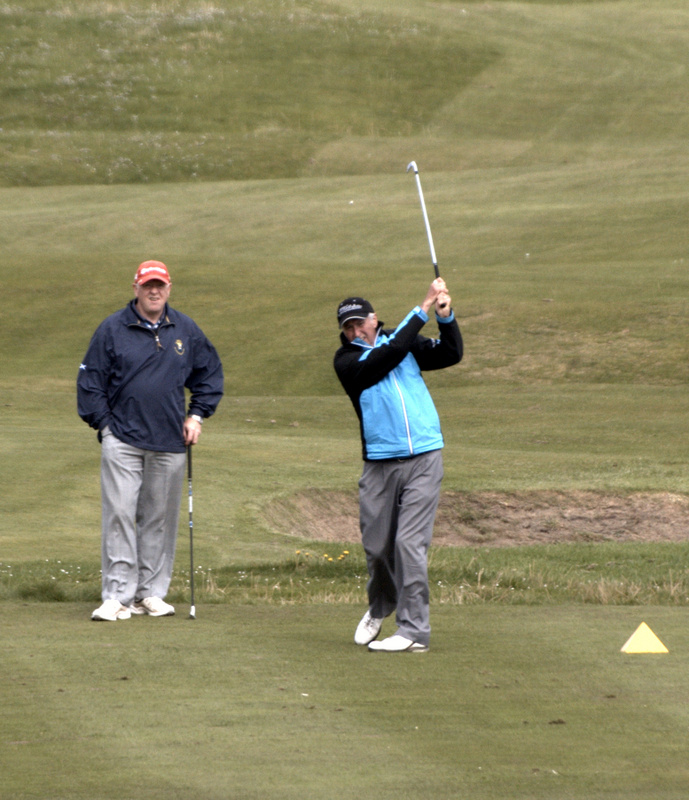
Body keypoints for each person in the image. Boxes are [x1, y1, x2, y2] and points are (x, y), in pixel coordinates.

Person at [77, 260, 224, 622]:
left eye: (159, 285)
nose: (153, 291)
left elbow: (209, 374)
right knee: (120, 515)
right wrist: (106, 426)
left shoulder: (185, 329)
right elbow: (90, 382)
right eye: (147, 285)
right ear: (136, 288)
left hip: (170, 442)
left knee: (158, 519)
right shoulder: (113, 328)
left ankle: (149, 594)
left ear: (169, 288)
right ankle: (116, 595)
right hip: (123, 439)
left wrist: (197, 415)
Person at [334, 277, 462, 652]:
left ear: (375, 319)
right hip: (379, 465)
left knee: (408, 544)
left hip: (424, 456)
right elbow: (384, 359)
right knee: (376, 547)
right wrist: (421, 309)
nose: (356, 330)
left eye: (361, 322)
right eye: (349, 327)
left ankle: (413, 632)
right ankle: (381, 604)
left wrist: (445, 316)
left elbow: (451, 354)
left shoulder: (404, 342)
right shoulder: (347, 360)